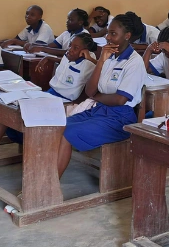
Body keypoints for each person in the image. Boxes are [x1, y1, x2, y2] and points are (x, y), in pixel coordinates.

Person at [0, 34, 98, 177]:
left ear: (84, 51)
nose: (70, 50)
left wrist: (91, 59)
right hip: (48, 95)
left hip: (61, 103)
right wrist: (48, 57)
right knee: (7, 102)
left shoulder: (89, 65)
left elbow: (99, 76)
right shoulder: (69, 56)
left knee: (11, 110)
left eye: (75, 48)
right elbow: (66, 60)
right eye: (70, 45)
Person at [55, 13, 146, 177]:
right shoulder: (109, 56)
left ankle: (50, 186)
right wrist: (101, 61)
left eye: (113, 34)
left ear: (127, 36)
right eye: (108, 33)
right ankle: (45, 178)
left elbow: (120, 99)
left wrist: (96, 97)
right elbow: (90, 91)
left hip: (120, 119)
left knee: (68, 133)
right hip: (99, 111)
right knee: (57, 127)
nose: (108, 37)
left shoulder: (134, 62)